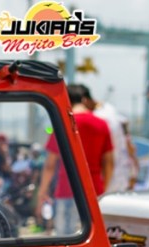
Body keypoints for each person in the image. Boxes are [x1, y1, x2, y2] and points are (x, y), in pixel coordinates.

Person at [35, 83, 113, 235]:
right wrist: (104, 189)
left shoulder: (62, 123)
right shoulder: (102, 124)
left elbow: (50, 164)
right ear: (84, 99)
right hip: (95, 191)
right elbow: (109, 163)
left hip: (66, 189)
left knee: (66, 240)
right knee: (94, 238)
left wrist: (42, 192)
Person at [92, 98, 139, 193]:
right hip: (122, 176)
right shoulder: (122, 132)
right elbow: (132, 153)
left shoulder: (104, 121)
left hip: (113, 178)